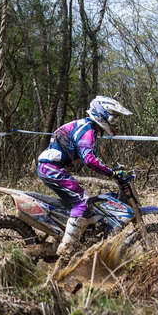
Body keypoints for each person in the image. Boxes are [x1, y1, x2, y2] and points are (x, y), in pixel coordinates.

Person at [37, 95, 132, 256]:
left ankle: (69, 236)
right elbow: (89, 159)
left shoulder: (87, 127)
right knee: (82, 201)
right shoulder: (87, 130)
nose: (114, 123)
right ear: (101, 114)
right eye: (113, 118)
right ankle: (66, 249)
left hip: (52, 167)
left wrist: (110, 170)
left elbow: (90, 157)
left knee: (77, 204)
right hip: (51, 168)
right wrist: (111, 173)